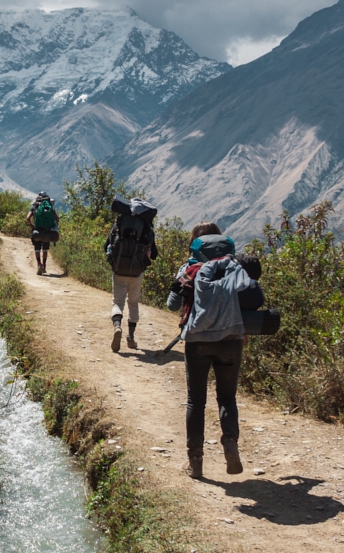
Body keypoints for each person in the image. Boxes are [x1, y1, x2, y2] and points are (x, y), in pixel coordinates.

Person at [166, 221, 250, 479]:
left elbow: (172, 304)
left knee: (196, 401)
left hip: (198, 341)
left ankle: (196, 462)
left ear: (195, 242)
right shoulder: (234, 266)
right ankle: (230, 444)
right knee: (226, 398)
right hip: (231, 339)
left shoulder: (190, 267)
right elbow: (250, 300)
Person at [105, 199, 158, 351]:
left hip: (119, 269)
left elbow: (106, 246)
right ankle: (131, 337)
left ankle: (117, 327)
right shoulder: (146, 228)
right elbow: (154, 254)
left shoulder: (119, 224)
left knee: (117, 302)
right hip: (136, 272)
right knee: (133, 303)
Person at [25, 192, 59, 275]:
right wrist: (54, 227)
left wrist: (32, 226)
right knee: (45, 249)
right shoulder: (50, 208)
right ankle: (44, 266)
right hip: (48, 232)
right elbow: (57, 219)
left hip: (37, 231)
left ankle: (39, 264)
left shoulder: (35, 207)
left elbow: (27, 218)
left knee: (37, 249)